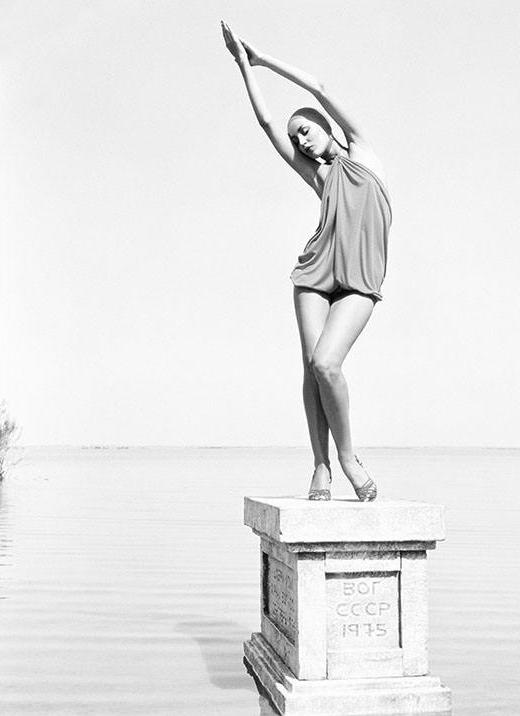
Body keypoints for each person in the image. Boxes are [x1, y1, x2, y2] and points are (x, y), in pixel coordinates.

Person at [221, 21, 392, 502]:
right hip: (315, 276)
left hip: (359, 281)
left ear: (323, 123)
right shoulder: (318, 177)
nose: (301, 139)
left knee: (327, 363)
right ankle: (321, 466)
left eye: (306, 130)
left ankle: (348, 458)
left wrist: (261, 59)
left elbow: (318, 86)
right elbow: (267, 124)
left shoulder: (362, 152)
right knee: (310, 367)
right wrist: (241, 69)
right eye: (298, 139)